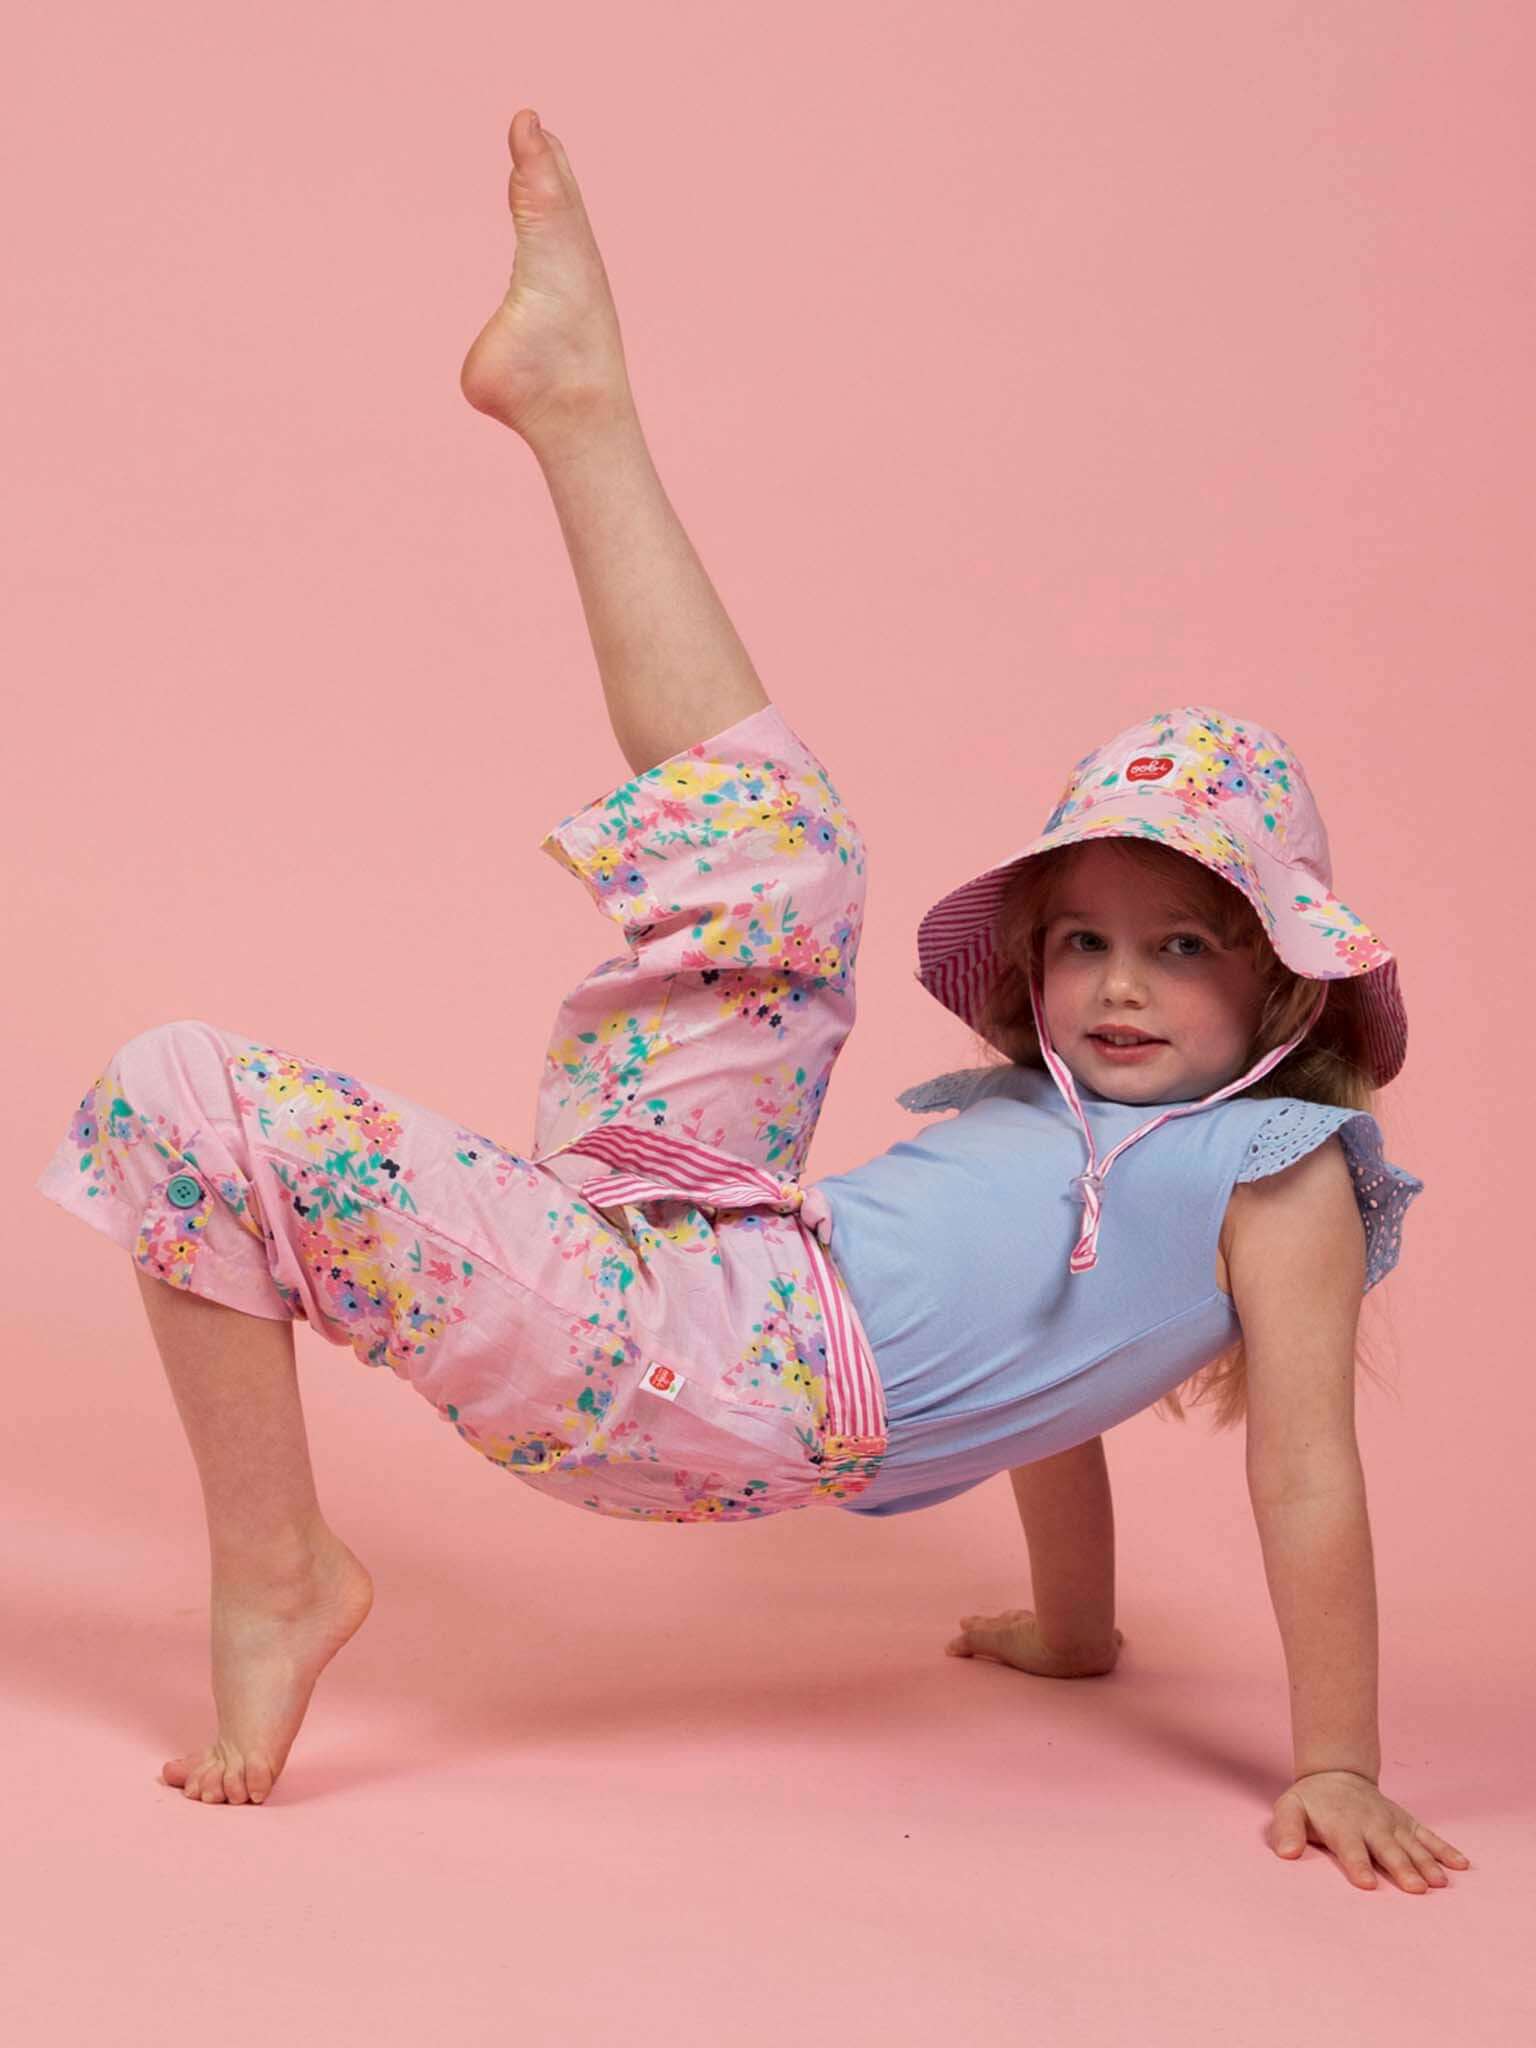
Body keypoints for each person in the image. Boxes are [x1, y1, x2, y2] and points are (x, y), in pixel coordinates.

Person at [31, 110, 1471, 1897]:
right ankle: (577, 402)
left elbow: (1308, 1475)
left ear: (1283, 970)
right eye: (1084, 938)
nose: (1116, 981)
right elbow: (1063, 1395)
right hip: (723, 1238)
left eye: (1185, 942)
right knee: (788, 853)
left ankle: (278, 1571)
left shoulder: (1281, 1167)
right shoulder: (1067, 1119)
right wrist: (1071, 1629)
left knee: (182, 1093)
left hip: (709, 1383)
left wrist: (1339, 1759)